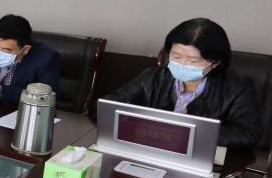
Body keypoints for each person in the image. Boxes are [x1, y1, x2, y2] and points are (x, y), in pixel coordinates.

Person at [106, 17, 261, 149]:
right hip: (151, 149)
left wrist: (186, 132)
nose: (182, 64)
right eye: (176, 56)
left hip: (200, 158)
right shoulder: (154, 77)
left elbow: (248, 134)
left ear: (215, 62)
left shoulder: (237, 88)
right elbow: (108, 104)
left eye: (193, 60)